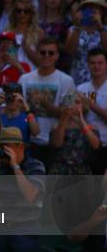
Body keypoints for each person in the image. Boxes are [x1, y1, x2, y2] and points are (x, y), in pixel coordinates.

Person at [19, 38, 76, 171]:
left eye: (51, 53)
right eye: (43, 52)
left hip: (54, 142)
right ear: (37, 54)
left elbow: (69, 114)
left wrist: (46, 105)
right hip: (28, 142)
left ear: (57, 56)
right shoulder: (24, 79)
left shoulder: (67, 81)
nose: (46, 56)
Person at [0, 127, 45, 252]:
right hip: (1, 230)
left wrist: (15, 166)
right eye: (1, 147)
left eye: (7, 147)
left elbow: (30, 195)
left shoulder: (35, 166)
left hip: (25, 232)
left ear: (21, 147)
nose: (4, 151)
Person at [49, 92, 101, 175]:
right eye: (70, 101)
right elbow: (57, 144)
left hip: (82, 171)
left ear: (83, 105)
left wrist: (82, 122)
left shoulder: (92, 127)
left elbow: (95, 145)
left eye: (77, 102)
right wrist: (64, 117)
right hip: (60, 171)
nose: (73, 105)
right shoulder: (56, 126)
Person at [64, 0, 107, 85]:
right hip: (77, 78)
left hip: (100, 79)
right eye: (89, 7)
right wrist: (78, 27)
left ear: (102, 12)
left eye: (96, 7)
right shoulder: (73, 29)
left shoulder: (105, 30)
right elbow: (69, 51)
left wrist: (100, 27)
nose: (92, 10)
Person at [77, 48, 107, 174]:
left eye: (100, 63)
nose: (96, 66)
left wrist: (91, 105)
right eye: (93, 63)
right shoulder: (81, 88)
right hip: (85, 145)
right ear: (88, 65)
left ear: (106, 64)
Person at [6, 0, 45, 71]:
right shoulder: (7, 32)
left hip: (32, 73)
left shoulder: (38, 32)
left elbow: (41, 61)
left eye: (26, 11)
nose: (22, 14)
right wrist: (14, 48)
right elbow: (7, 58)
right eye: (18, 11)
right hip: (12, 72)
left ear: (31, 14)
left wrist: (25, 47)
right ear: (14, 13)